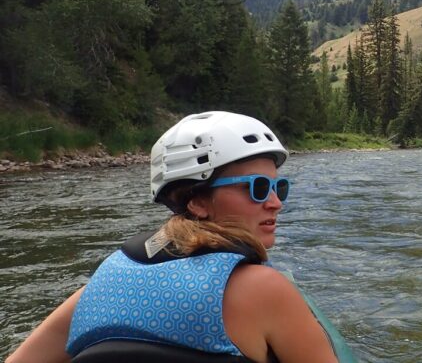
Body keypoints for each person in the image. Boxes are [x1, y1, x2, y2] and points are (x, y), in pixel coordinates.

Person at [7, 111, 339, 363]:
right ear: (196, 200)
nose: (276, 203)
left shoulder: (104, 279)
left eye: (278, 186)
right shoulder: (266, 290)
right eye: (257, 188)